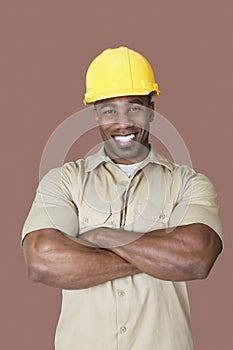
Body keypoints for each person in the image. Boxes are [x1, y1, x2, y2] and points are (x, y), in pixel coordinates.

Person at [22, 46, 223, 350]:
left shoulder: (188, 184)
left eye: (134, 107)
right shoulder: (63, 181)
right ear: (95, 116)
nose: (123, 122)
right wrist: (159, 257)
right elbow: (43, 261)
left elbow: (196, 258)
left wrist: (102, 236)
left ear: (151, 110)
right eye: (109, 110)